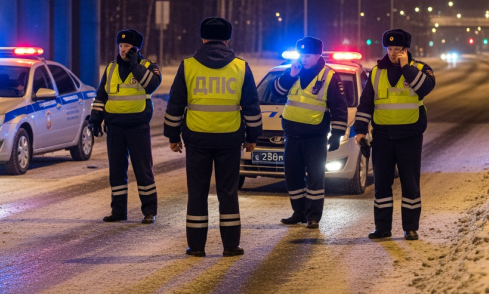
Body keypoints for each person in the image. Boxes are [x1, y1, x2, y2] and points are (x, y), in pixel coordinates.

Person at [164, 17, 263, 257]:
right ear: (228, 39)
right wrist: (253, 136)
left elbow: (175, 104)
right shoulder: (240, 66)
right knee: (228, 192)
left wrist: (173, 135)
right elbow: (251, 105)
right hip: (229, 138)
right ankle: (231, 246)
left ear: (203, 38)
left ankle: (196, 246)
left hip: (197, 138)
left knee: (197, 192)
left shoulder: (188, 66)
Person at [352, 29, 435, 241]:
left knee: (410, 184)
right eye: (390, 49)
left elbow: (424, 88)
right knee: (381, 185)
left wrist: (405, 66)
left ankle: (410, 228)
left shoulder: (420, 69)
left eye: (397, 49)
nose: (393, 53)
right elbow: (366, 103)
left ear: (406, 50)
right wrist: (360, 130)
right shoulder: (376, 72)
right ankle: (382, 228)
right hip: (383, 136)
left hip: (410, 136)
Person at [271, 37, 348, 229]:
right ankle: (299, 212)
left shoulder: (329, 76)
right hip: (292, 134)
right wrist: (290, 75)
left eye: (308, 56)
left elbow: (339, 107)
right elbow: (276, 92)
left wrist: (337, 133)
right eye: (302, 55)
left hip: (315, 136)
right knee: (292, 175)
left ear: (317, 55)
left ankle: (313, 216)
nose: (304, 59)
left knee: (314, 177)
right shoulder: (294, 71)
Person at [90, 28, 162, 224]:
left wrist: (135, 65)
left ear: (136, 48)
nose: (123, 50)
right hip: (115, 126)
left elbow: (152, 85)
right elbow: (101, 95)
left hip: (138, 125)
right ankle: (118, 211)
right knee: (116, 171)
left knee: (143, 170)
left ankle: (149, 211)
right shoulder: (111, 68)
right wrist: (95, 119)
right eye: (121, 46)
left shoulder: (148, 66)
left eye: (127, 46)